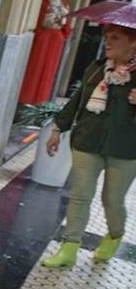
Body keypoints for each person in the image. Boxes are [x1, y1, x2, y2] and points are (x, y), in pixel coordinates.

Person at [43, 22, 136, 267]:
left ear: (133, 42)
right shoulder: (95, 69)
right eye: (106, 37)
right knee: (80, 195)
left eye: (115, 38)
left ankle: (115, 235)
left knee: (112, 200)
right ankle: (69, 248)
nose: (107, 42)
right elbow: (77, 101)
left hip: (126, 149)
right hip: (88, 140)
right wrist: (57, 129)